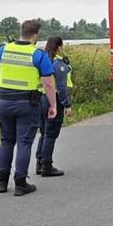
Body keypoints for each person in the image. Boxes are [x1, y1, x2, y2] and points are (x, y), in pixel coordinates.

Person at [0, 20, 58, 196]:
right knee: (24, 142)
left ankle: (2, 182)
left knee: (6, 141)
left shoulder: (2, 50)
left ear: (21, 32)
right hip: (27, 104)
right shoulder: (38, 55)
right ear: (35, 36)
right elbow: (48, 84)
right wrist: (53, 105)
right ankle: (20, 183)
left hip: (5, 102)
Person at [34, 36, 73, 177]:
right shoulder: (59, 65)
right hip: (53, 99)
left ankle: (39, 163)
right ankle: (47, 166)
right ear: (59, 47)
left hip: (40, 99)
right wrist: (67, 105)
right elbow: (61, 87)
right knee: (51, 134)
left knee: (44, 132)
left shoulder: (43, 61)